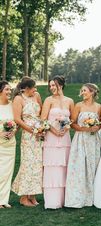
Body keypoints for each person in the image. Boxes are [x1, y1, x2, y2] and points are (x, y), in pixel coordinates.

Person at [65, 83, 101, 208]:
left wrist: (96, 127)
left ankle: (93, 197)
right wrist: (83, 129)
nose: (82, 92)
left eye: (85, 90)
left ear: (92, 92)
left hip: (94, 141)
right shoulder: (78, 105)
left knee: (93, 166)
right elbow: (72, 123)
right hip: (80, 140)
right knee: (79, 167)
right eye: (82, 90)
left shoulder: (98, 107)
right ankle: (78, 197)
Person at [41, 75, 74, 209]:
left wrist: (66, 127)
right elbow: (43, 119)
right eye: (50, 86)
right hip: (52, 137)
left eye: (54, 85)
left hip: (65, 137)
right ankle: (52, 201)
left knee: (64, 166)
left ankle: (66, 199)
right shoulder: (48, 100)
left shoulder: (70, 101)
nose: (52, 88)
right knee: (52, 166)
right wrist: (54, 131)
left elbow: (72, 120)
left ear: (61, 85)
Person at [12, 76, 43, 207]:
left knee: (38, 165)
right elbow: (18, 119)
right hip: (28, 135)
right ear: (26, 88)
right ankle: (24, 197)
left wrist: (41, 128)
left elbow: (41, 113)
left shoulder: (36, 96)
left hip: (39, 134)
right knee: (27, 164)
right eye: (33, 88)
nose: (35, 90)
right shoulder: (19, 99)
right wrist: (32, 130)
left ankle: (33, 195)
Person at [0, 81, 16, 208]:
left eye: (10, 90)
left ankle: (4, 200)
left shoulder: (12, 106)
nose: (9, 92)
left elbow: (17, 123)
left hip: (10, 143)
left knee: (7, 172)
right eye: (7, 90)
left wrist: (14, 131)